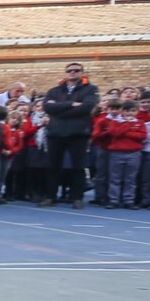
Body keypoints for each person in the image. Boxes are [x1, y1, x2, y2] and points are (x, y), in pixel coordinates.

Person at [42, 62, 100, 208]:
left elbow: (86, 108)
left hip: (78, 133)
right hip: (55, 133)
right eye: (70, 70)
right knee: (52, 167)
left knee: (78, 168)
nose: (72, 72)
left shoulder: (91, 89)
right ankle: (50, 196)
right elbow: (48, 107)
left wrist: (59, 108)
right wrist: (71, 104)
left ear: (82, 72)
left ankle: (77, 198)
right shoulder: (54, 90)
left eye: (76, 70)